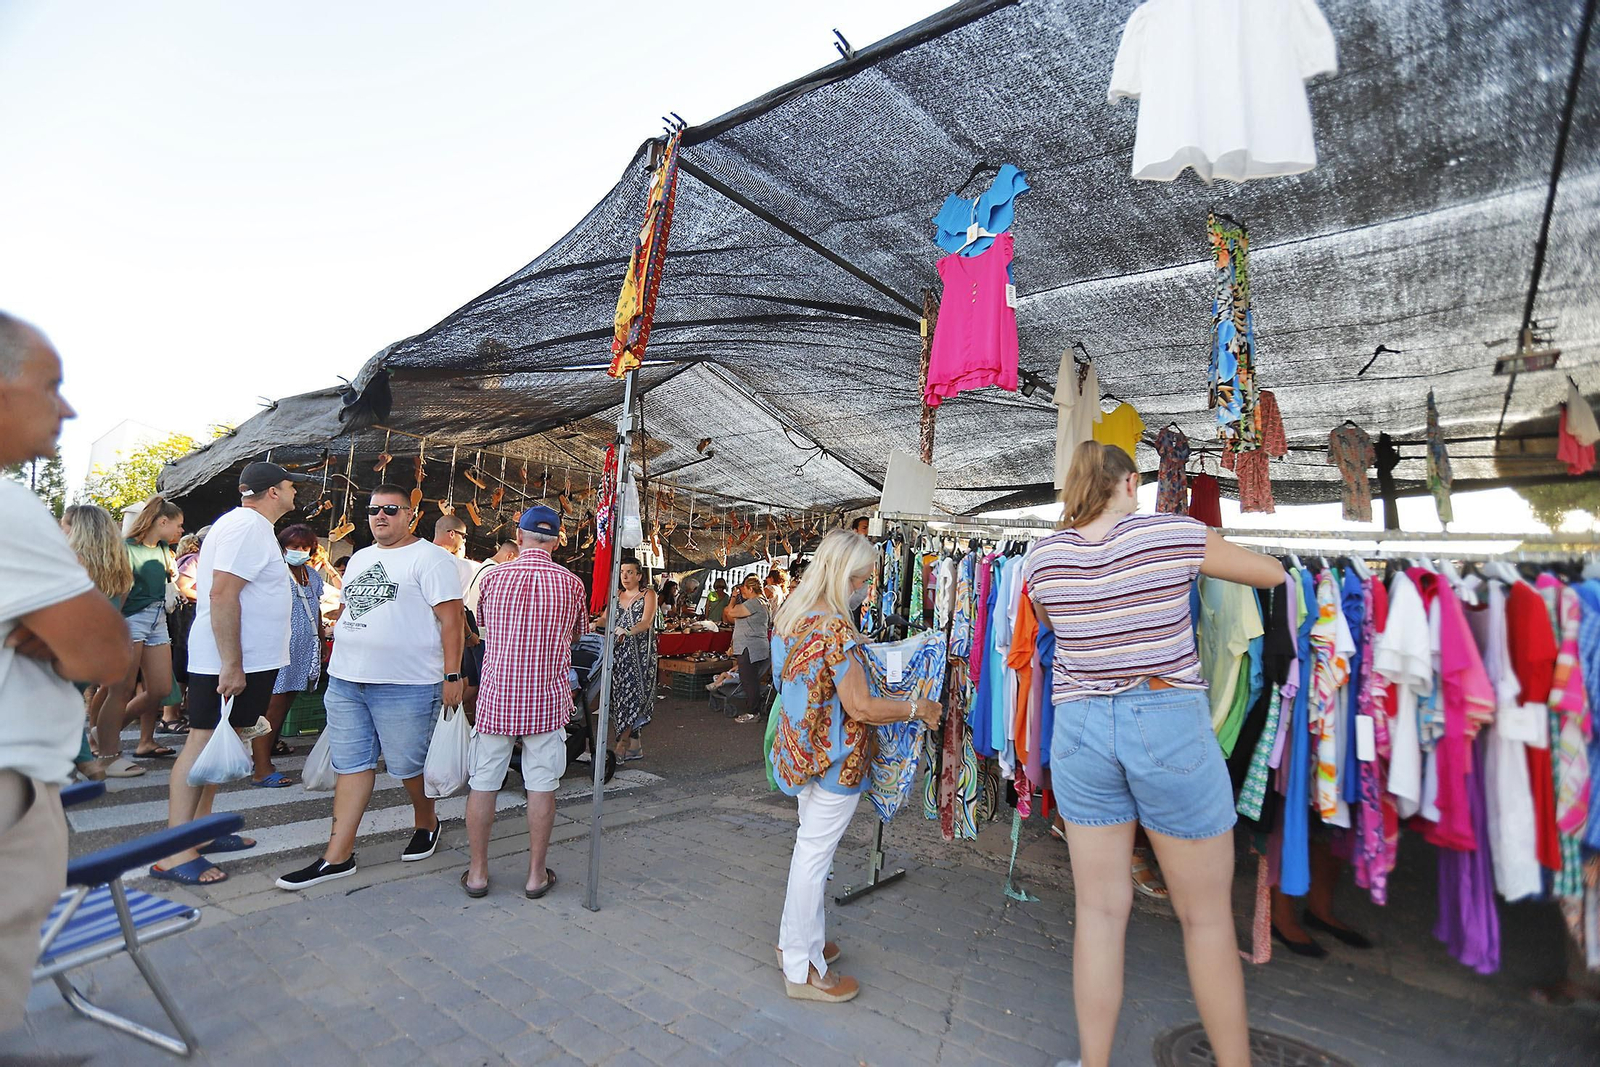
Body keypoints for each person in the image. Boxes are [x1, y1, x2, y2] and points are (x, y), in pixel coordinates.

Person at [1025, 441, 1282, 1067]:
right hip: (1164, 718)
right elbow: (1271, 574)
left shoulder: (1042, 556)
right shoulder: (1171, 535)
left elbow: (1048, 622)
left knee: (1100, 912)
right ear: (1129, 482)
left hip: (1081, 727)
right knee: (1206, 920)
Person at [0, 313, 133, 1028]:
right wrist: (69, 635)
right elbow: (108, 656)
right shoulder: (8, 507)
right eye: (50, 385)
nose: (68, 406)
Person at [770, 530, 942, 1003]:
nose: (867, 588)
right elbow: (861, 706)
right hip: (835, 763)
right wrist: (917, 708)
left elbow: (793, 684)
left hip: (800, 753)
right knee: (813, 859)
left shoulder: (792, 616)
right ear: (845, 577)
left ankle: (795, 944)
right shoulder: (835, 629)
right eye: (864, 579)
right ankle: (802, 970)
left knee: (808, 852)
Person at [276, 484, 465, 890]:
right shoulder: (360, 557)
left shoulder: (431, 560)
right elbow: (351, 607)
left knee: (408, 767)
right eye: (374, 509)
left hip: (408, 683)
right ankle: (337, 856)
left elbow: (452, 622)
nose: (380, 516)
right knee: (351, 765)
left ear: (410, 516)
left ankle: (426, 819)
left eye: (391, 509)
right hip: (347, 680)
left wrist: (453, 675)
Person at [154, 461, 310, 885]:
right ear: (274, 491)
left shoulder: (247, 526)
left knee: (217, 742)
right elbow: (223, 592)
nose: (296, 493)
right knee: (200, 743)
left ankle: (199, 832)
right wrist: (231, 662)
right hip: (228, 658)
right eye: (291, 486)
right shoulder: (246, 526)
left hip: (244, 657)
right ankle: (174, 850)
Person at [461, 506, 586, 899]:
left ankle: (478, 873)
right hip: (547, 700)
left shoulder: (493, 577)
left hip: (497, 696)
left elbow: (481, 626)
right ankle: (535, 876)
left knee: (483, 784)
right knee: (542, 787)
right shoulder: (571, 584)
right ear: (558, 538)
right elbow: (577, 637)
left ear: (520, 534)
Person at [92, 496, 185, 775]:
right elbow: (117, 592)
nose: (181, 531)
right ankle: (108, 754)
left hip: (157, 620)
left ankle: (101, 735)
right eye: (178, 525)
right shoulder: (125, 549)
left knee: (159, 689)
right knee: (120, 689)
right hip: (130, 620)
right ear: (162, 521)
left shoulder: (162, 550)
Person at [60, 504, 135, 781]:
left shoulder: (66, 561)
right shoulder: (118, 565)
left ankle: (76, 763)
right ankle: (81, 763)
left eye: (65, 526)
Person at [251, 524, 326, 787]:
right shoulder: (275, 572)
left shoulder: (312, 575)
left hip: (304, 650)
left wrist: (321, 642)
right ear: (282, 547)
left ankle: (266, 750)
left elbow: (315, 610)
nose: (299, 551)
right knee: (272, 706)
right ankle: (261, 767)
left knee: (285, 703)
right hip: (278, 649)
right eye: (294, 547)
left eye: (305, 547)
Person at [607, 559, 656, 763]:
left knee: (634, 697)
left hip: (640, 656)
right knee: (619, 699)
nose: (625, 576)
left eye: (629, 572)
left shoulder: (648, 595)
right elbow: (605, 618)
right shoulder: (617, 595)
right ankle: (635, 746)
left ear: (639, 575)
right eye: (622, 572)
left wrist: (627, 631)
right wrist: (591, 624)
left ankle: (621, 745)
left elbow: (646, 622)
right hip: (618, 655)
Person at [164, 528, 206, 735]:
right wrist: (208, 597)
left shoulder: (193, 558)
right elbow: (182, 586)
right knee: (181, 666)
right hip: (188, 618)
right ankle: (170, 715)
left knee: (184, 665)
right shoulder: (196, 560)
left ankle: (178, 711)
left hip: (190, 618)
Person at [724, 574, 771, 723]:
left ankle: (753, 712)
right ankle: (753, 709)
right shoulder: (763, 602)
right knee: (751, 679)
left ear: (750, 589)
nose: (742, 591)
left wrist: (733, 597)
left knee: (748, 680)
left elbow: (729, 612)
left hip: (749, 646)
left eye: (744, 588)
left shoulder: (754, 603)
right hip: (756, 646)